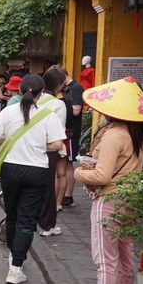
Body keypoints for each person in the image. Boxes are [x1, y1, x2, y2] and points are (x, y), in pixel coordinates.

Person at [73, 77, 143, 284]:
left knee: (105, 259)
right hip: (130, 198)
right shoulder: (137, 135)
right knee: (125, 254)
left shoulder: (113, 136)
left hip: (110, 198)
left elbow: (102, 176)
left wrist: (78, 173)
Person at [0, 75, 66, 284]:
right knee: (27, 219)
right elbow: (57, 145)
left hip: (11, 169)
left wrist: (7, 140)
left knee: (11, 214)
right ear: (42, 92)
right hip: (37, 171)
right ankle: (16, 267)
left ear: (19, 91)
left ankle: (13, 255)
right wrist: (38, 145)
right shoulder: (49, 115)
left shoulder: (8, 112)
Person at [36, 67, 69, 236]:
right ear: (58, 85)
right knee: (49, 187)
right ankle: (47, 224)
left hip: (30, 148)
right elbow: (59, 131)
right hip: (48, 149)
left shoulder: (35, 100)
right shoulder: (58, 105)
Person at [61, 70, 85, 208]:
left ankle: (68, 196)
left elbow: (76, 110)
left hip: (71, 131)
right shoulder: (68, 88)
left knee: (68, 163)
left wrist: (61, 104)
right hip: (66, 131)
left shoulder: (76, 88)